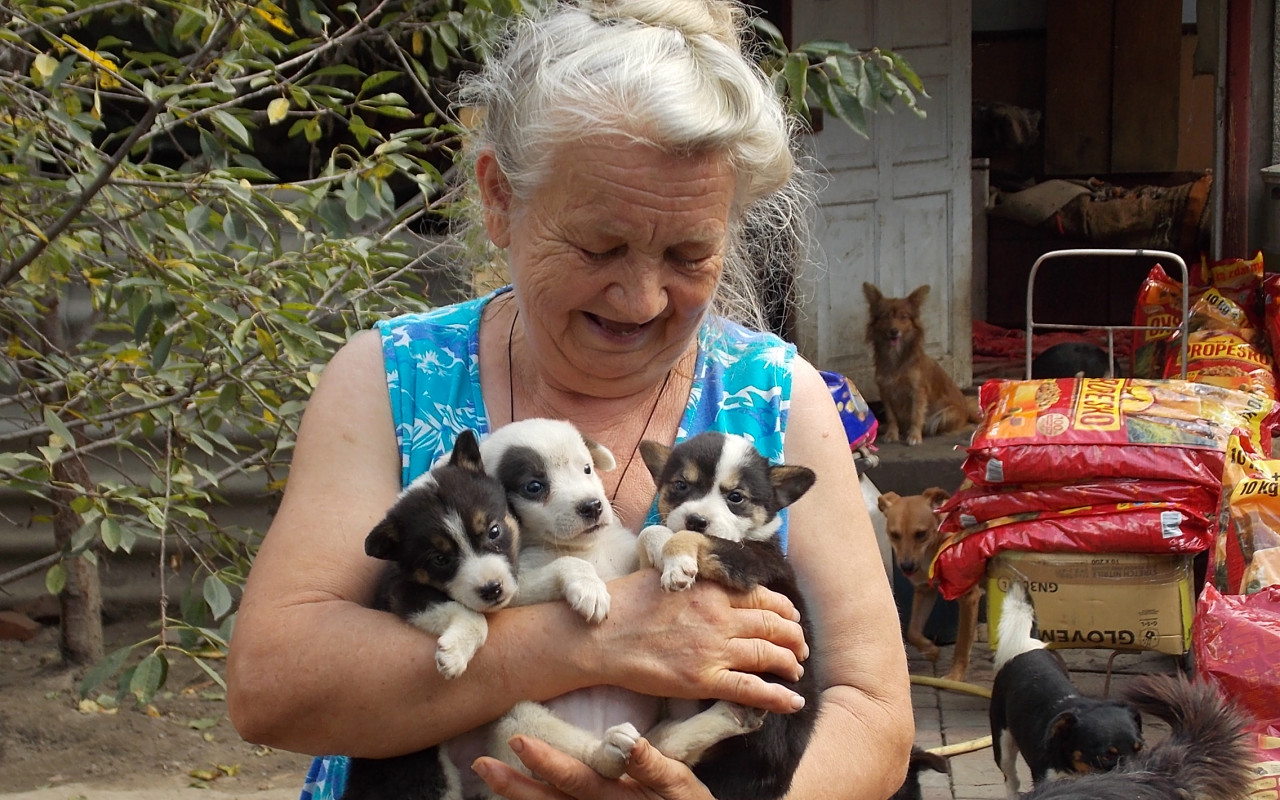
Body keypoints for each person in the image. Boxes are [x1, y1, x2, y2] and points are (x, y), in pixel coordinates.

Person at [225, 1, 913, 798]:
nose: (642, 297)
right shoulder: (390, 378)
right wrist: (589, 637)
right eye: (599, 245)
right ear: (498, 199)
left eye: (691, 253)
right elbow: (271, 686)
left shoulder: (779, 397)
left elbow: (874, 710)